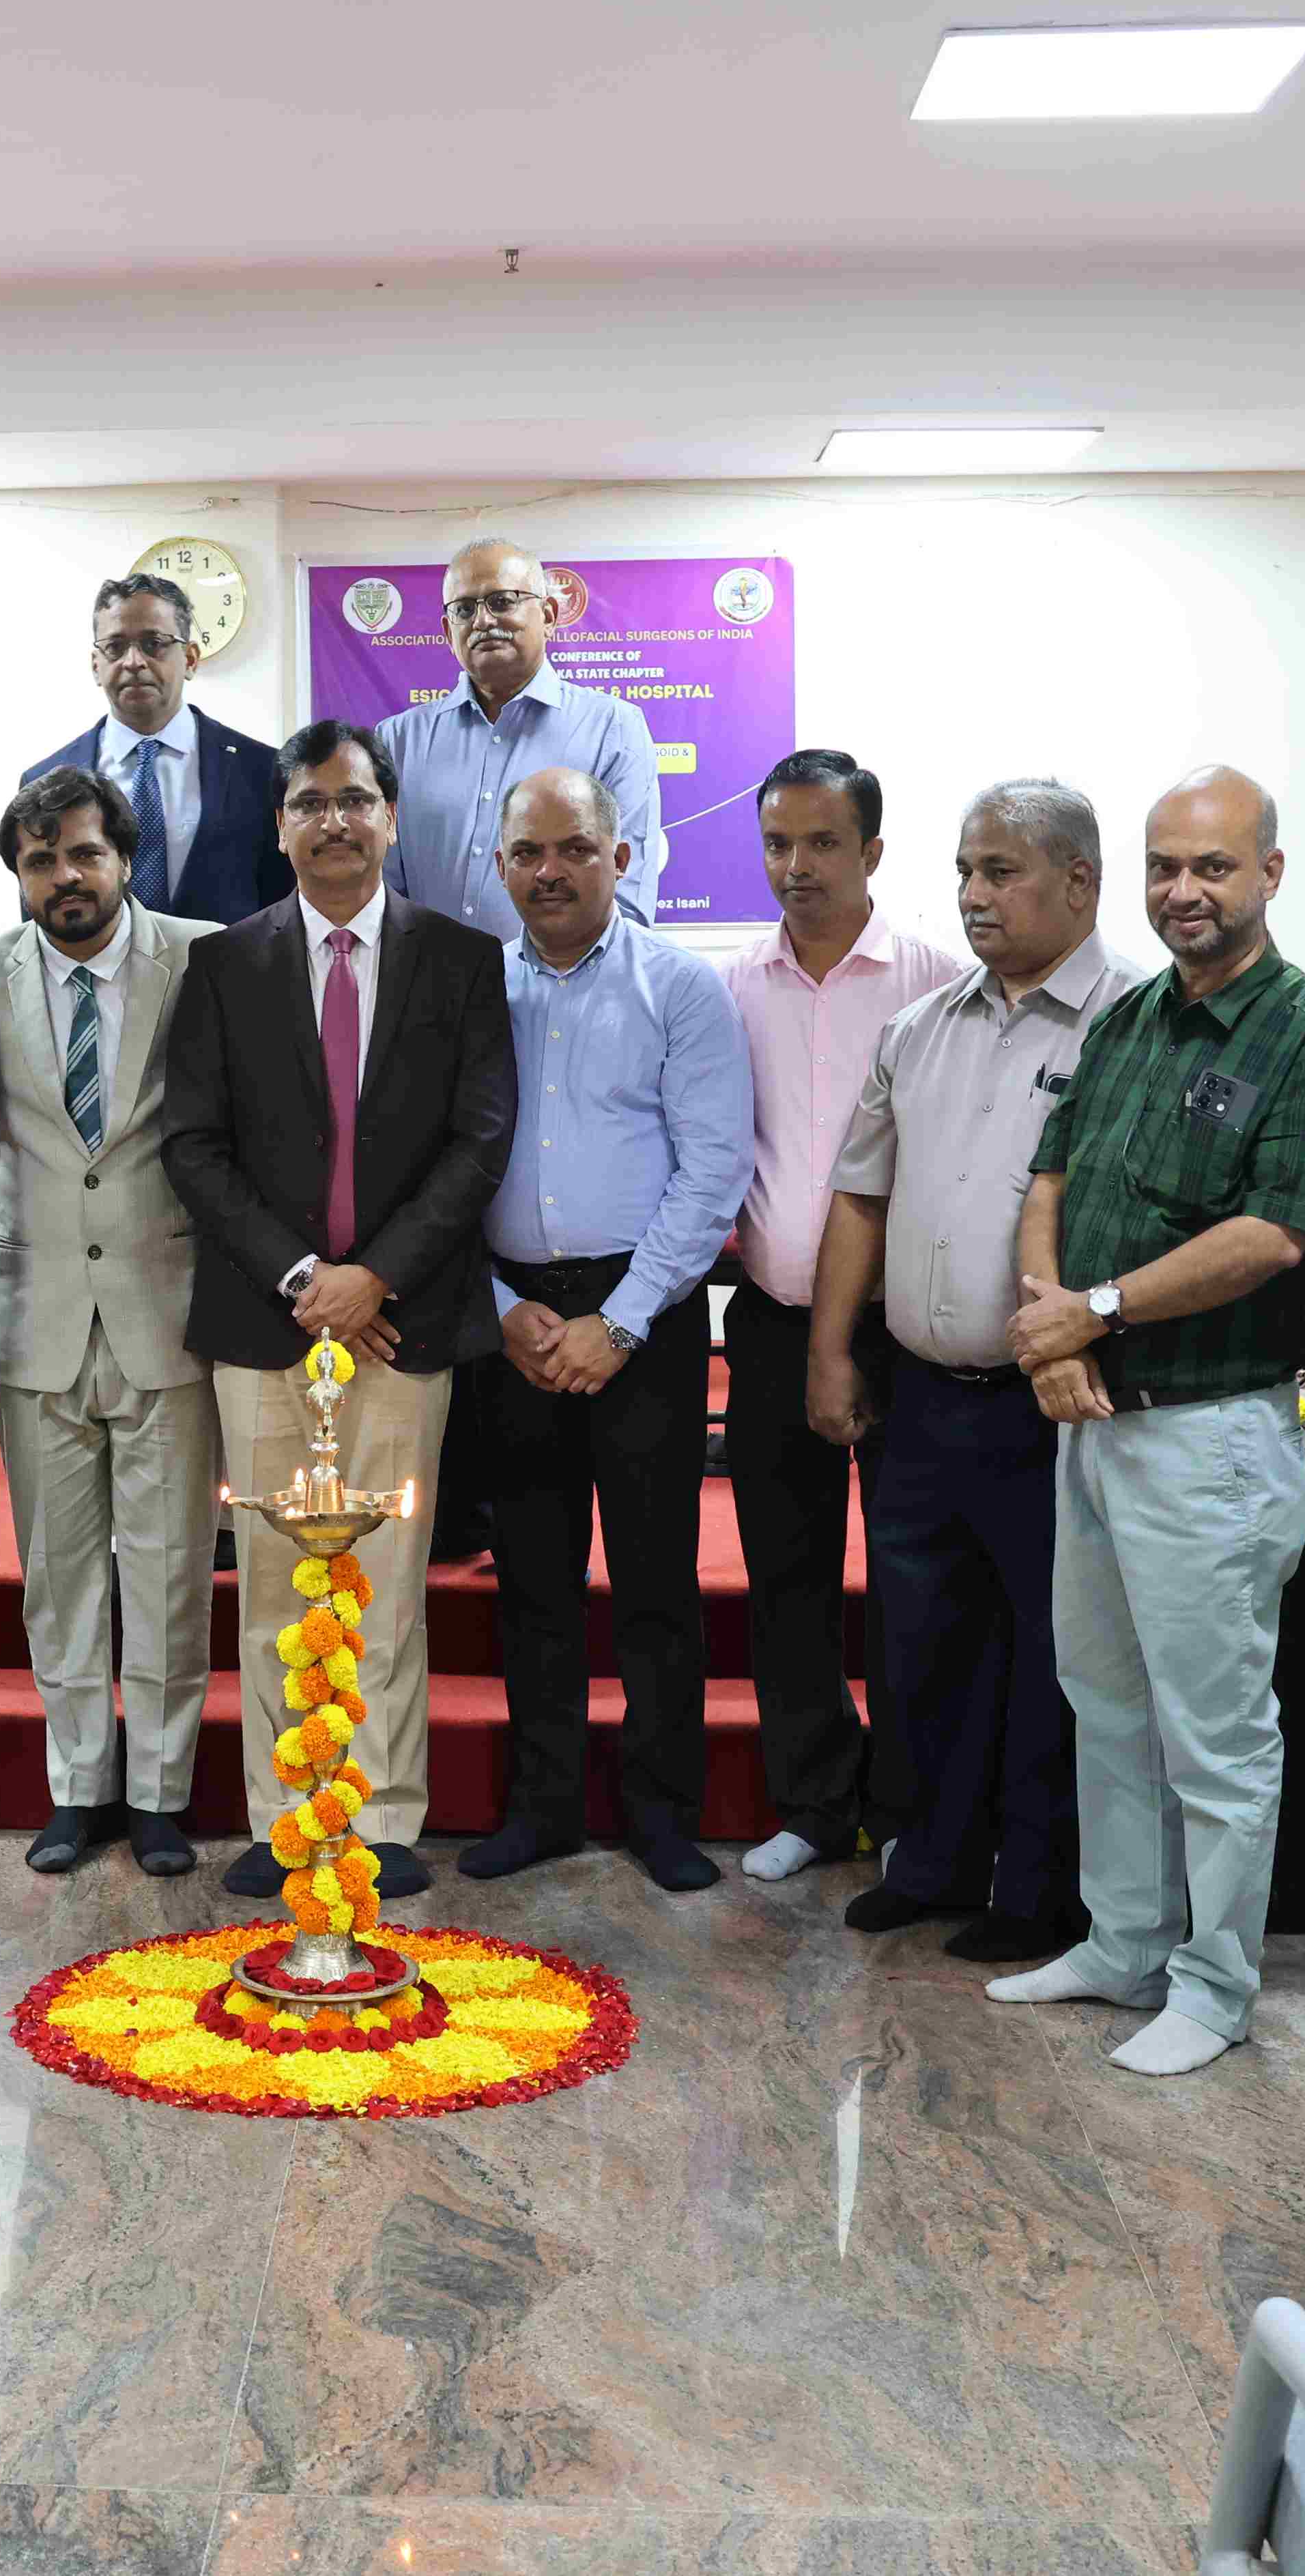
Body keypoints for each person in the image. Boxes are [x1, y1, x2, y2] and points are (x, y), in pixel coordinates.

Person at [996, 767, 1305, 2079]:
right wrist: (1050, 1332)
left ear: (1269, 872)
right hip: (1092, 1423)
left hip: (1210, 1433)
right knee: (1102, 1703)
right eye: (1163, 866)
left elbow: (1274, 1236)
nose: (1182, 891)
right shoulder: (1128, 1018)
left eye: (1211, 866)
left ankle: (1212, 1989)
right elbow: (1047, 1179)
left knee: (1213, 1735)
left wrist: (1088, 1312)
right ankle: (1124, 1942)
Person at [166, 721, 517, 1900]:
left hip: (403, 1323)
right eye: (310, 803)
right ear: (278, 826)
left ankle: (382, 1812)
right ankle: (286, 1818)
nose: (334, 821)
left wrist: (373, 1277)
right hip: (265, 1322)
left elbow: (478, 1141)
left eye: (355, 799)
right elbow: (193, 1145)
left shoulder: (459, 960)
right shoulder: (224, 964)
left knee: (389, 1574)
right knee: (275, 1579)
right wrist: (303, 1280)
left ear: (389, 817)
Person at [809, 781, 1136, 1967]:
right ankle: (930, 1859)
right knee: (923, 1642)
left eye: (1001, 871)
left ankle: (1034, 1886)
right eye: (963, 870)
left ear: (1078, 882)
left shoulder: (1133, 1023)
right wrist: (830, 1349)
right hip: (920, 1397)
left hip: (1055, 1406)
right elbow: (860, 1195)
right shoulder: (919, 1027)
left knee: (1053, 1656)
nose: (972, 895)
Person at [460, 768, 749, 1892]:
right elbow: (440, 1166)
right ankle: (541, 1809)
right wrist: (501, 1312)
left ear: (620, 858)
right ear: (499, 866)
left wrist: (618, 1322)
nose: (550, 871)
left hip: (647, 1315)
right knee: (531, 1580)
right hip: (514, 1323)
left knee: (652, 1580)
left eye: (574, 848)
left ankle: (659, 1813)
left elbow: (711, 1170)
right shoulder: (471, 992)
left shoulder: (677, 986)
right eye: (528, 852)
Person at [718, 749, 962, 1887]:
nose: (795, 866)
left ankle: (911, 1809)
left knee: (915, 1579)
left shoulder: (936, 980)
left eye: (821, 843)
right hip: (771, 1323)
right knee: (787, 1575)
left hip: (905, 1331)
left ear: (870, 850)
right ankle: (814, 1803)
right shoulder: (730, 985)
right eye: (776, 843)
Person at [0, 766, 219, 1877]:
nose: (63, 876)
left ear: (123, 858)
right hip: (33, 1312)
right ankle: (77, 1786)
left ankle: (160, 1790)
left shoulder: (201, 959)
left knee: (167, 1569)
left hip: (164, 1304)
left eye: (82, 853)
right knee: (57, 1570)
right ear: (19, 876)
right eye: (40, 861)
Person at [375, 538, 668, 940]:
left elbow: (628, 899)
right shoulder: (398, 741)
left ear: (548, 616)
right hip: (427, 978)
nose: (482, 621)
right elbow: (381, 894)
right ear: (447, 631)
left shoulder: (613, 729)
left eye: (502, 601)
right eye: (464, 609)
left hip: (566, 979)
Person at [19, 576, 291, 925]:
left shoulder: (261, 769)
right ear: (96, 666)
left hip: (232, 960)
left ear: (190, 659)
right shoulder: (43, 782)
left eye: (154, 644)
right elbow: (38, 912)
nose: (133, 661)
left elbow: (283, 908)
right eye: (115, 647)